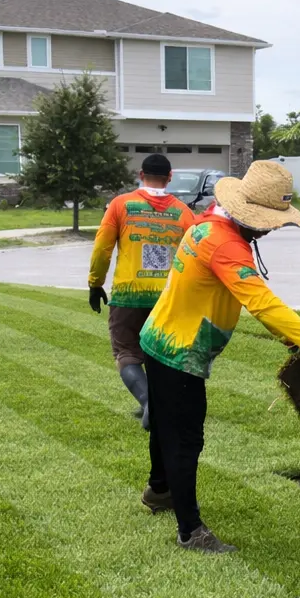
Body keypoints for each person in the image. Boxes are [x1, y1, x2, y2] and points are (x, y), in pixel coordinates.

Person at [138, 160, 300, 552]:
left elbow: (237, 294)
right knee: (186, 439)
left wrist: (291, 339)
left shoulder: (207, 226)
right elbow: (261, 302)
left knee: (166, 427)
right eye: (271, 221)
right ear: (250, 215)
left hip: (158, 339)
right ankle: (190, 530)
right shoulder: (225, 244)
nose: (273, 227)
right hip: (179, 353)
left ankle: (159, 491)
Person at [87, 153, 196, 428]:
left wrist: (95, 283)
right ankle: (163, 403)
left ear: (140, 174)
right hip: (168, 297)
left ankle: (149, 402)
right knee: (163, 353)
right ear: (170, 177)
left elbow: (102, 248)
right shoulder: (184, 213)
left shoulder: (120, 205)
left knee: (126, 352)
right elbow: (196, 256)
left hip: (128, 294)